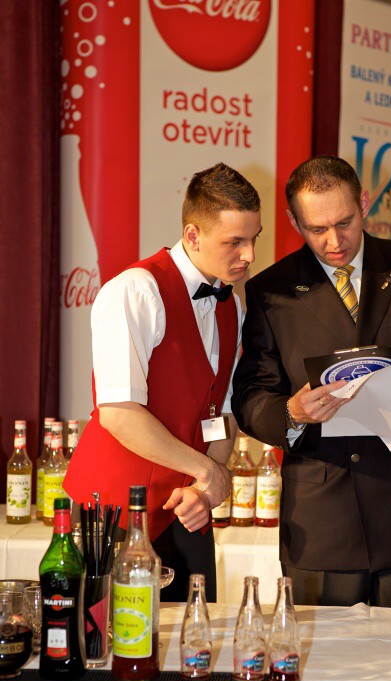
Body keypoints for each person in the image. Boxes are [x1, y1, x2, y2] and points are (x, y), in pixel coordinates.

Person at [232, 156, 391, 609]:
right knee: (325, 653)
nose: (333, 241)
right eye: (316, 229)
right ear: (294, 222)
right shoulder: (272, 290)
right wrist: (292, 412)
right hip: (322, 523)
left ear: (364, 203)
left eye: (344, 222)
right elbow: (250, 396)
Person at [64, 162, 261, 601]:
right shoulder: (136, 290)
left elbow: (222, 412)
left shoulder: (232, 306)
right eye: (235, 241)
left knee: (194, 635)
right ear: (193, 235)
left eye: (254, 239)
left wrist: (204, 490)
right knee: (107, 636)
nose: (249, 255)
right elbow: (119, 414)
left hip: (184, 509)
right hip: (113, 510)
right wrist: (208, 471)